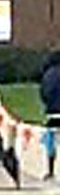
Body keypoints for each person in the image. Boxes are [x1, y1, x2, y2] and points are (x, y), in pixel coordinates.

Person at [40, 51, 60, 179]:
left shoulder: (47, 75)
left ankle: (50, 170)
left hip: (51, 112)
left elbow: (43, 93)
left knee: (51, 142)